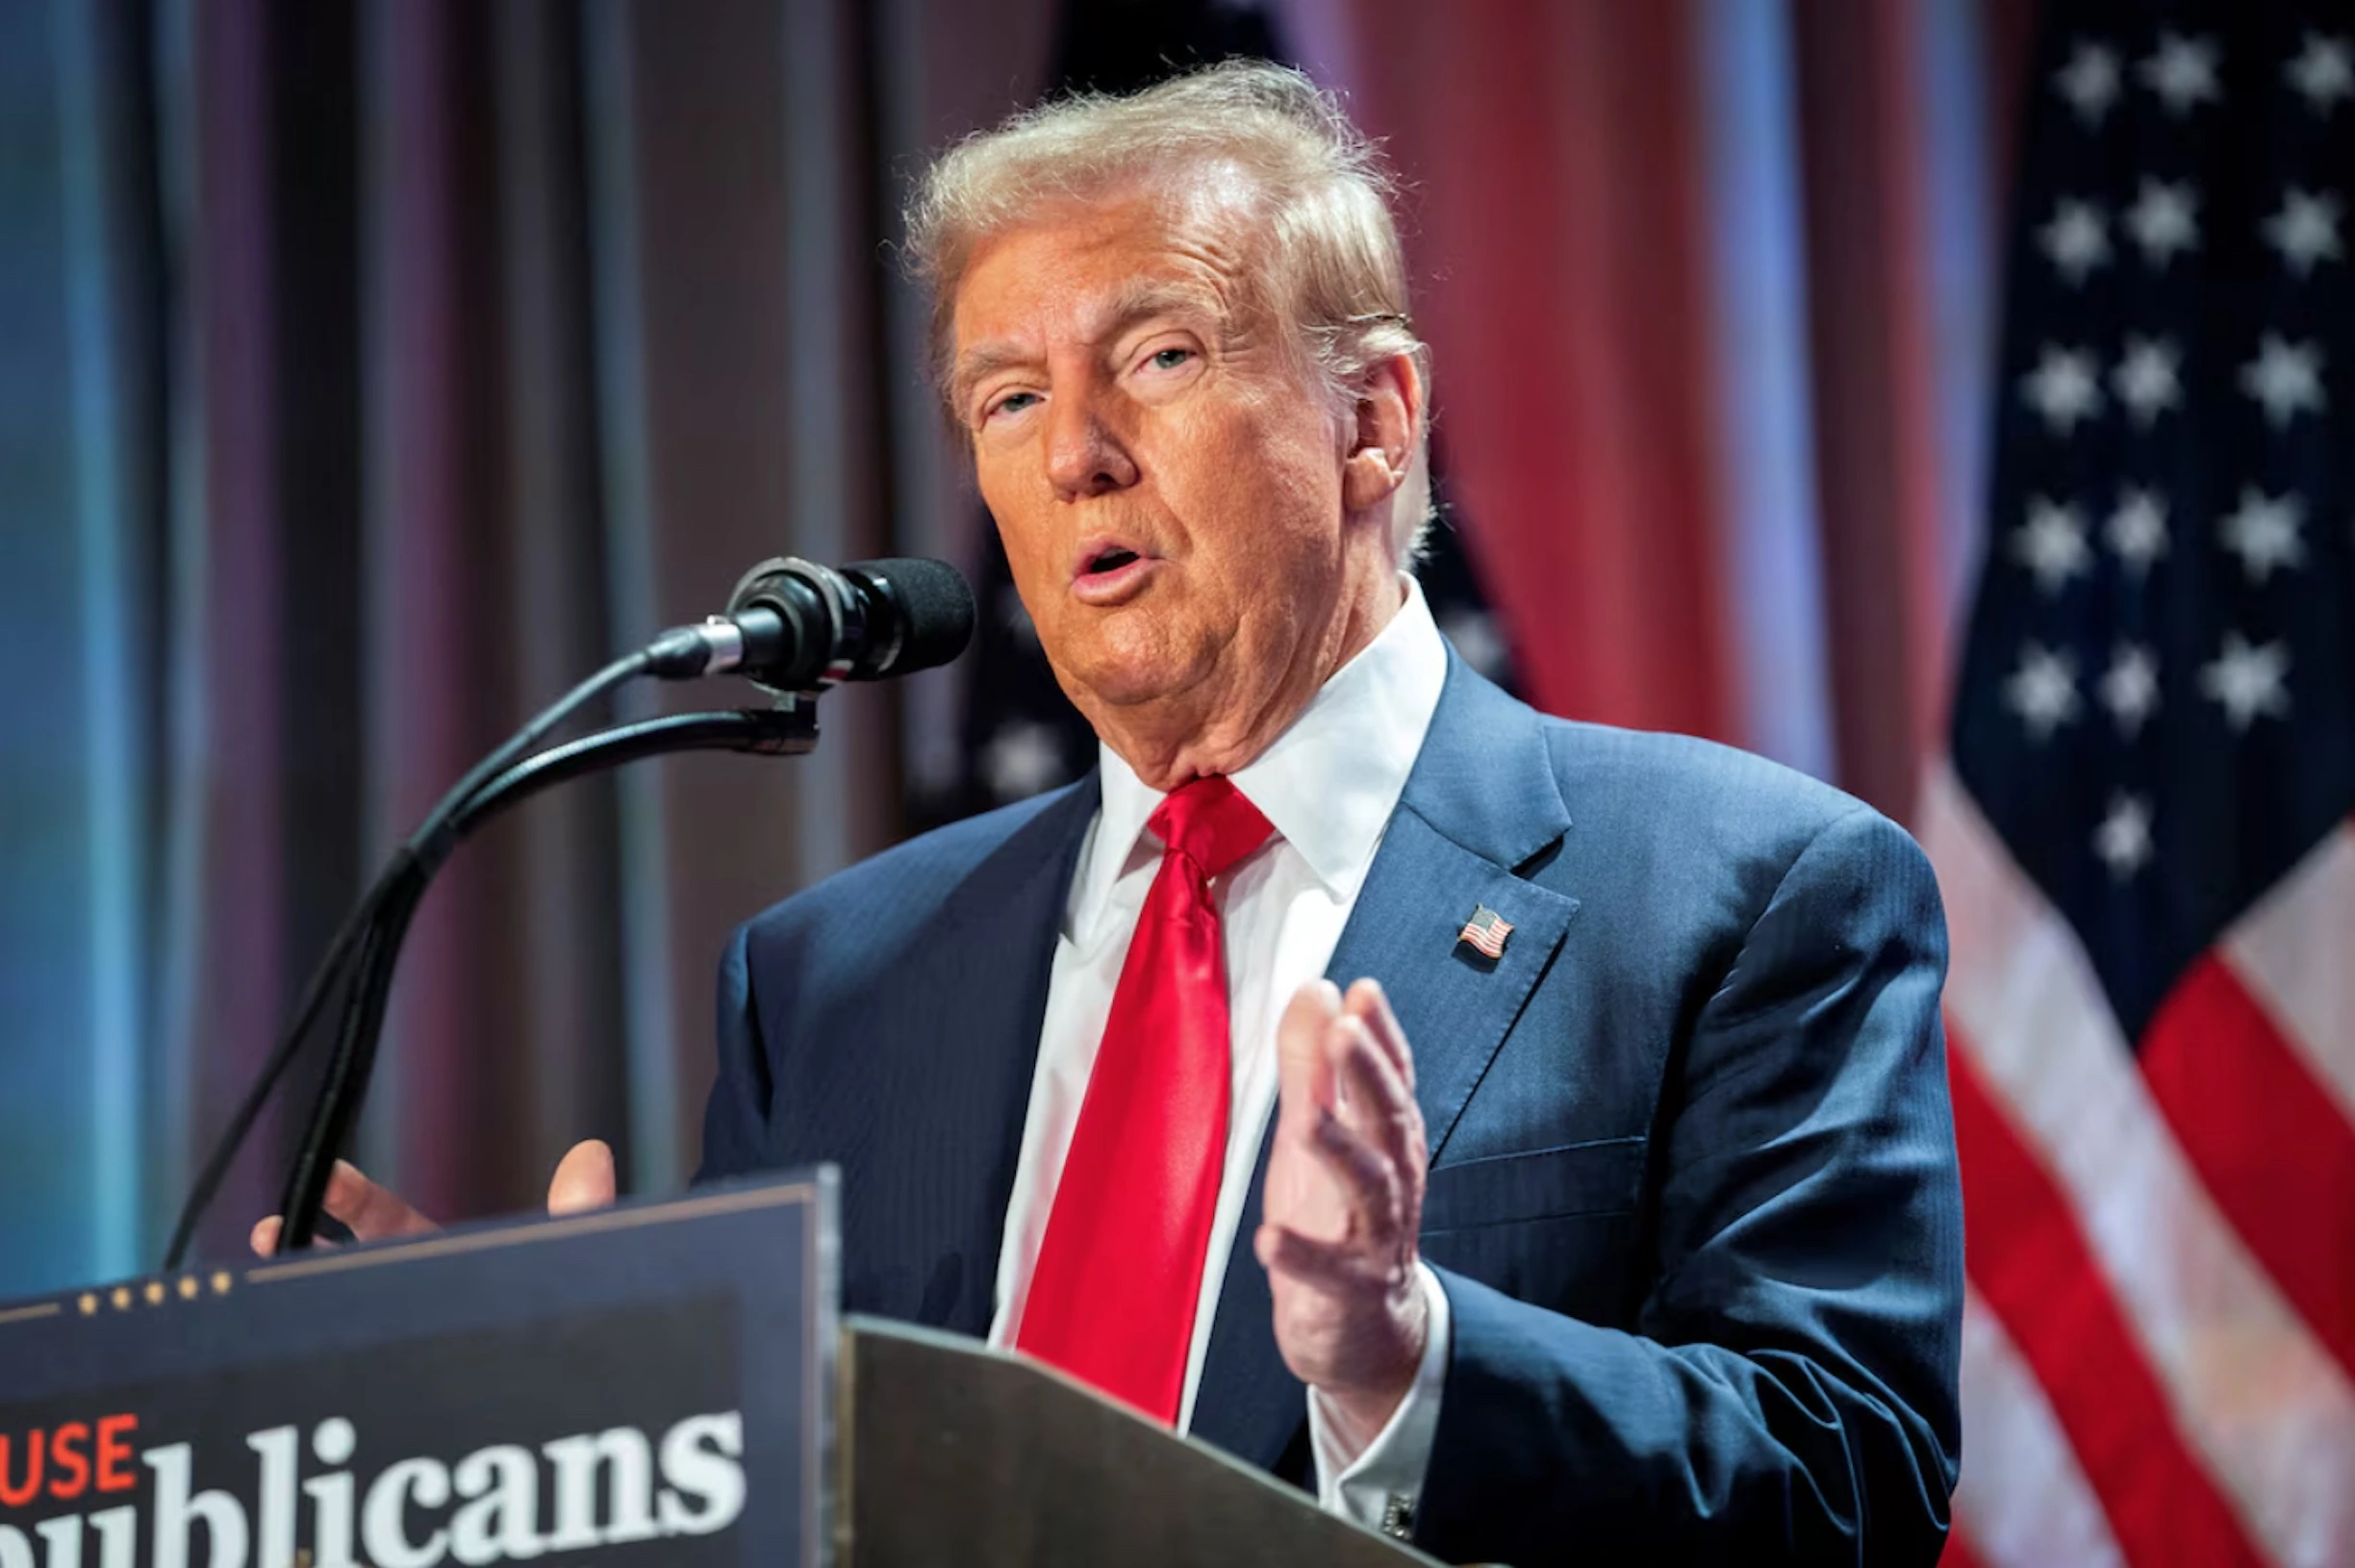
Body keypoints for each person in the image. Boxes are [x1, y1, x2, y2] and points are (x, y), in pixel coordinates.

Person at [264, 63, 1962, 1564]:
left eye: (1157, 353)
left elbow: (1850, 1477)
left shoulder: (1745, 892)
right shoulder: (830, 981)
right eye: (1007, 399)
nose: (1074, 451)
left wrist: (1402, 1355)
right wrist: (575, 1414)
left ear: (1374, 421)